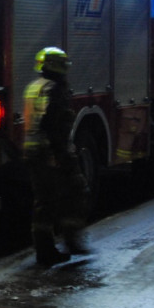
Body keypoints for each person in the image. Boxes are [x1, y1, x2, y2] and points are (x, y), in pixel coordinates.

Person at [23, 46, 91, 266]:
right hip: (50, 152)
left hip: (34, 151)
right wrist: (58, 154)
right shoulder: (54, 89)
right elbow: (52, 123)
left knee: (44, 201)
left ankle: (45, 249)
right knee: (74, 192)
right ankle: (70, 242)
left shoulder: (34, 87)